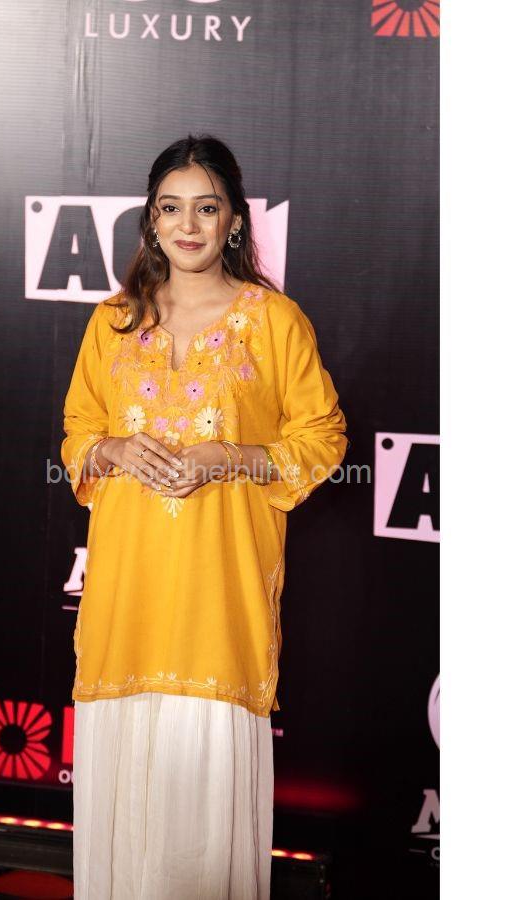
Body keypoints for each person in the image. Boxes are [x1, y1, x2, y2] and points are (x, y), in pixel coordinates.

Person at [60, 134, 349, 899]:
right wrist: (111, 447)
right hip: (125, 609)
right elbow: (77, 433)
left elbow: (323, 438)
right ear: (151, 221)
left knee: (198, 835)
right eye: (171, 208)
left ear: (234, 221)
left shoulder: (274, 321)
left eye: (206, 208)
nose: (187, 225)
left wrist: (232, 456)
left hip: (220, 612)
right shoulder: (113, 322)